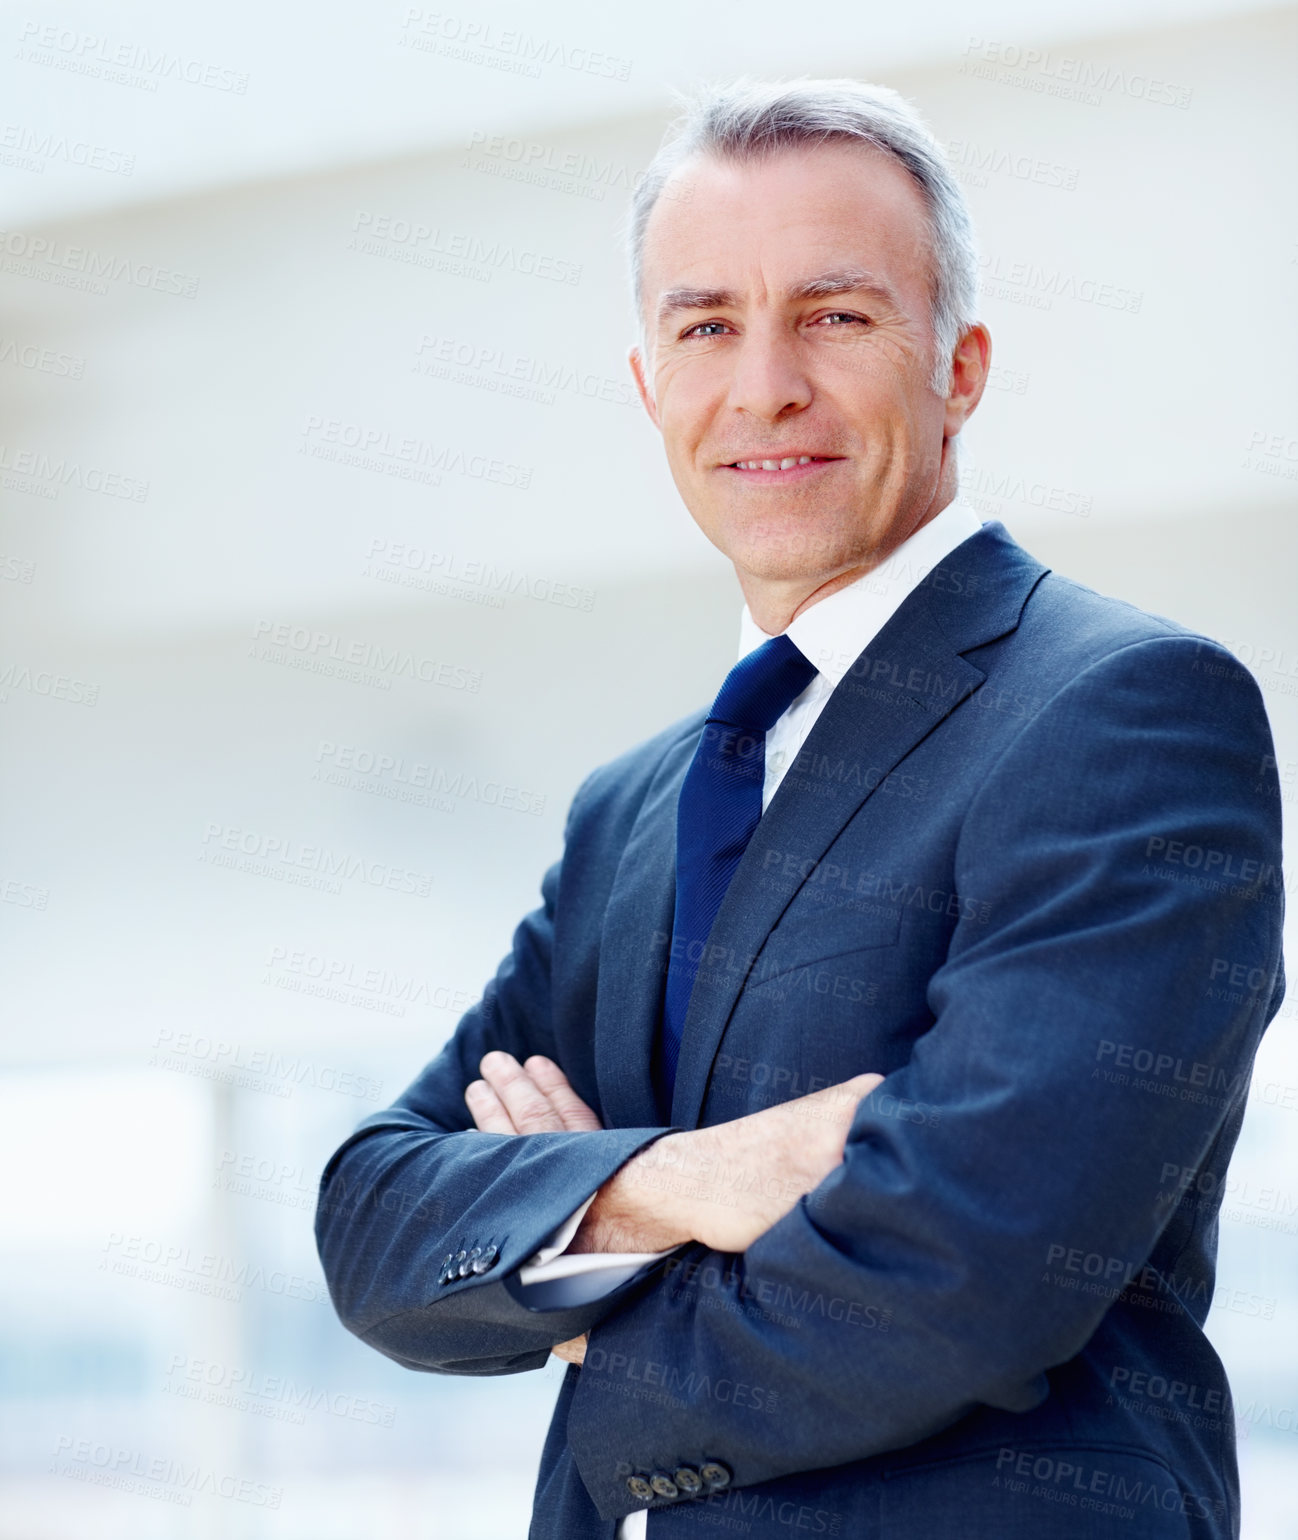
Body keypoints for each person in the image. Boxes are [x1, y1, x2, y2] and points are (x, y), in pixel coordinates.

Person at [315, 78, 1285, 1539]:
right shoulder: (633, 806)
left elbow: (972, 1269)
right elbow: (378, 1220)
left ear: (957, 366)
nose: (763, 384)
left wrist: (581, 1306)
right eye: (705, 325)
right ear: (650, 386)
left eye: (833, 315)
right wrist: (680, 1180)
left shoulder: (1124, 712)